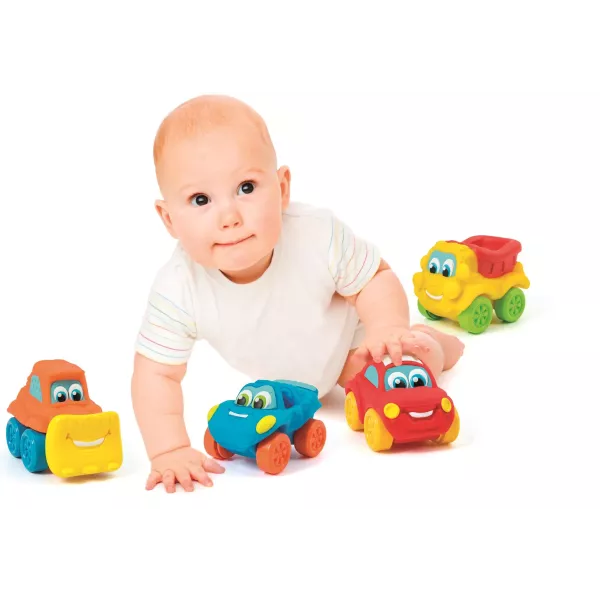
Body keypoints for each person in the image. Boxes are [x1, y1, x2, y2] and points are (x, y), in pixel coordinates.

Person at [131, 94, 465, 493]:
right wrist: (168, 449)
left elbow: (374, 278)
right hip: (288, 385)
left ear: (282, 187)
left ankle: (437, 343)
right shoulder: (178, 289)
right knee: (354, 380)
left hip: (356, 341)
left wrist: (386, 327)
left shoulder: (316, 235)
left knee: (399, 365)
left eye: (246, 187)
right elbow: (156, 374)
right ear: (169, 218)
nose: (229, 216)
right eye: (200, 200)